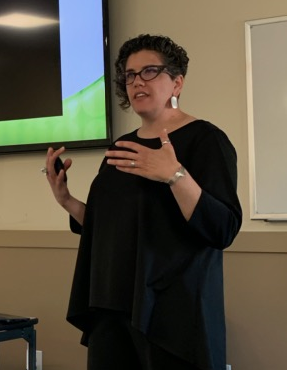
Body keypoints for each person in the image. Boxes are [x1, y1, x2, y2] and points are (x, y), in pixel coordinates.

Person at [44, 34, 242, 370]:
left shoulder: (206, 140)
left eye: (150, 71)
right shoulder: (122, 146)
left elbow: (222, 228)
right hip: (112, 305)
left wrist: (174, 174)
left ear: (177, 83)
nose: (137, 81)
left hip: (172, 316)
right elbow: (112, 226)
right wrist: (66, 200)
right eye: (130, 74)